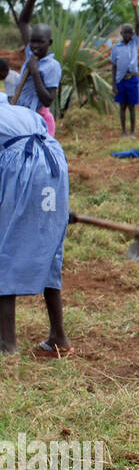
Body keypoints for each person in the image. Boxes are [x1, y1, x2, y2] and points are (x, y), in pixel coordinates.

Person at [0, 90, 71, 358]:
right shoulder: (23, 112)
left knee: (5, 250)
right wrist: (57, 210)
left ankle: (7, 346)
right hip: (53, 170)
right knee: (50, 251)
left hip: (23, 171)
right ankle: (58, 337)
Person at [14, 0, 60, 138]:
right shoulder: (31, 53)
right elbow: (23, 21)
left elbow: (48, 100)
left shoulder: (52, 66)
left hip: (39, 120)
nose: (34, 45)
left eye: (39, 42)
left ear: (49, 43)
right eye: (32, 41)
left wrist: (34, 73)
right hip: (21, 115)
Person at [111, 0, 139, 138]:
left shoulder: (134, 43)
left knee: (132, 107)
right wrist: (113, 84)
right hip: (120, 81)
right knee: (122, 107)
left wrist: (134, 8)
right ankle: (123, 131)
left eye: (130, 32)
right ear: (121, 33)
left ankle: (132, 132)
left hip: (132, 79)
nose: (128, 34)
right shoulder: (116, 48)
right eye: (125, 32)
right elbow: (114, 66)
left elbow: (138, 24)